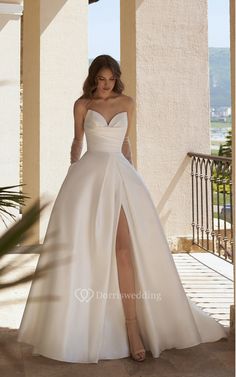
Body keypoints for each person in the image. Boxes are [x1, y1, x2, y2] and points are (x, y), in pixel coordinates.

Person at [17, 54, 229, 364]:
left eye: (110, 79)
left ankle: (133, 328)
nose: (104, 85)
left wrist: (132, 175)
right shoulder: (82, 105)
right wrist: (72, 170)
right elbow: (78, 141)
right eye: (100, 80)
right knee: (88, 251)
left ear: (117, 79)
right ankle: (85, 323)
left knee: (124, 250)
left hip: (121, 176)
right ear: (93, 79)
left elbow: (125, 141)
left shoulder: (127, 103)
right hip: (88, 178)